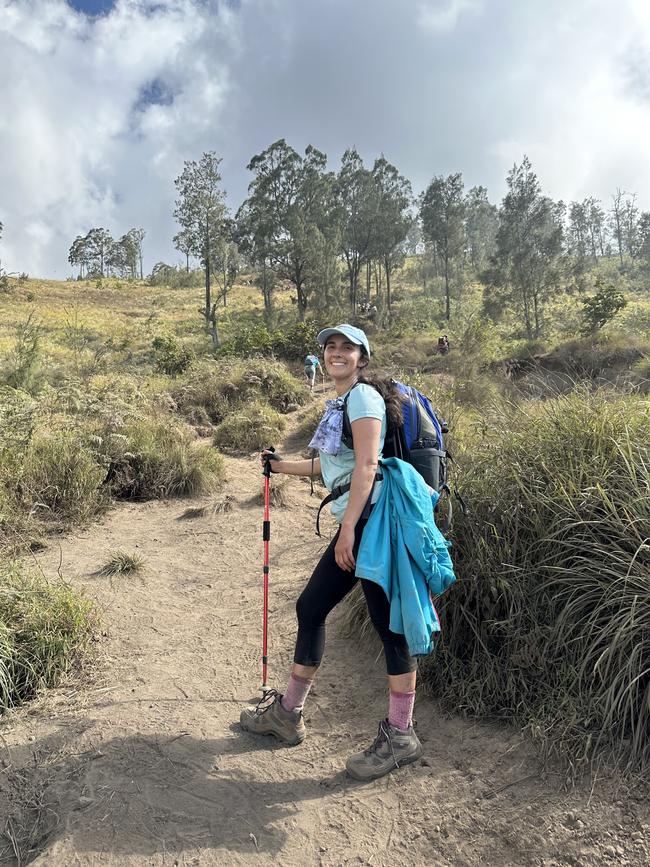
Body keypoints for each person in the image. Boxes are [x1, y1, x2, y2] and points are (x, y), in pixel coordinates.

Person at [240, 324, 430, 782]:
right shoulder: (341, 404)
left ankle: (401, 736)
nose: (338, 353)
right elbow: (333, 467)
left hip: (372, 522)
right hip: (359, 520)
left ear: (363, 358)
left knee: (389, 627)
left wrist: (348, 531)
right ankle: (288, 714)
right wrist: (278, 466)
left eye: (348, 347)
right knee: (311, 606)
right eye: (331, 347)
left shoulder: (363, 399)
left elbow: (367, 465)